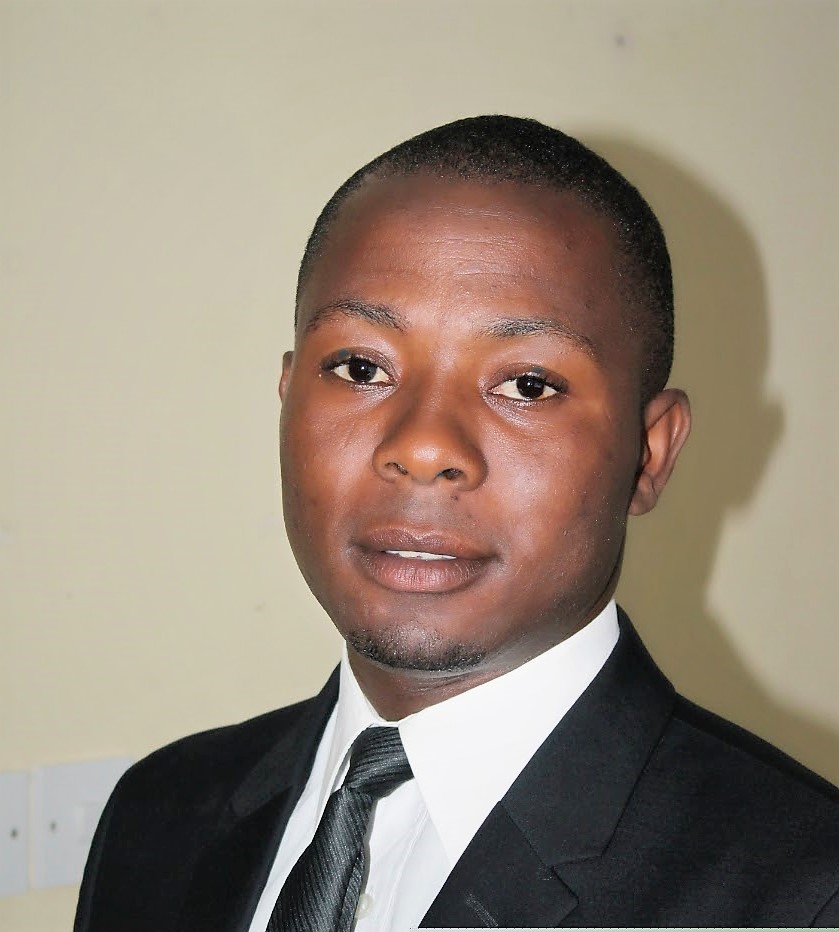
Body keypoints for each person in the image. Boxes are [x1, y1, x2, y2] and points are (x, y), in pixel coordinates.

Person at [74, 115, 839, 930]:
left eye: (528, 386)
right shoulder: (159, 815)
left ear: (648, 454)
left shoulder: (802, 893)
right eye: (360, 368)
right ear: (287, 399)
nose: (423, 447)